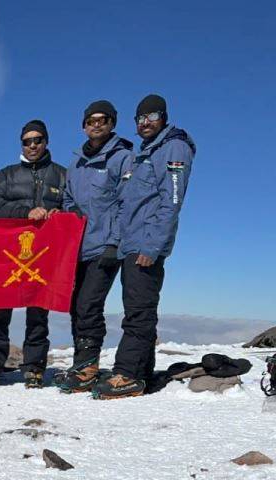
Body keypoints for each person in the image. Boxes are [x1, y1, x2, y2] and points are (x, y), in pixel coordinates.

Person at [96, 94, 195, 399]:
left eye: (151, 116)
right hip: (132, 244)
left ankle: (127, 374)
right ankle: (142, 373)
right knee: (137, 308)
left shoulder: (173, 148)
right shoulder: (147, 153)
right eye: (140, 119)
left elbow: (172, 201)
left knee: (138, 312)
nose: (145, 123)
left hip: (145, 246)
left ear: (163, 117)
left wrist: (152, 247)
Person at [56, 101, 133, 393]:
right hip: (78, 246)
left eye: (103, 120)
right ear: (83, 126)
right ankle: (82, 364)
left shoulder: (123, 157)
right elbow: (66, 197)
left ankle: (88, 366)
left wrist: (115, 241)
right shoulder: (76, 161)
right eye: (90, 120)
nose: (96, 124)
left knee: (89, 304)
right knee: (77, 306)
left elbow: (128, 202)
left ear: (112, 123)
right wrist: (72, 210)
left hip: (106, 245)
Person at [0, 120, 67, 388]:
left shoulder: (61, 174)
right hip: (9, 253)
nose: (32, 145)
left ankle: (33, 367)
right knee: (0, 308)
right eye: (27, 141)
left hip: (44, 254)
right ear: (21, 144)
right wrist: (25, 212)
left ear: (46, 142)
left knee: (38, 310)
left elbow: (74, 207)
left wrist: (60, 215)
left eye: (38, 140)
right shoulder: (8, 174)